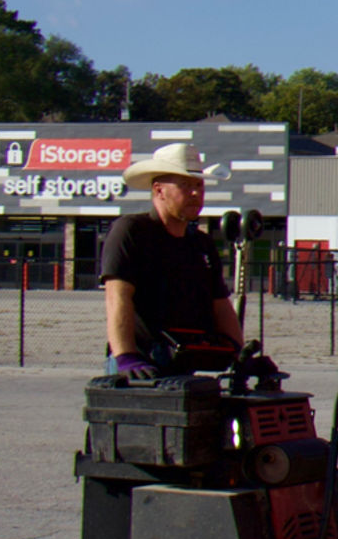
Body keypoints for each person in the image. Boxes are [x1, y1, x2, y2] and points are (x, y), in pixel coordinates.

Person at [100, 143, 242, 376]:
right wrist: (126, 357)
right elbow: (117, 297)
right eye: (185, 185)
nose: (196, 193)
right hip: (141, 360)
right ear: (158, 190)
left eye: (199, 185)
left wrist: (238, 354)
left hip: (185, 359)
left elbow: (221, 305)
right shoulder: (131, 231)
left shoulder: (201, 244)